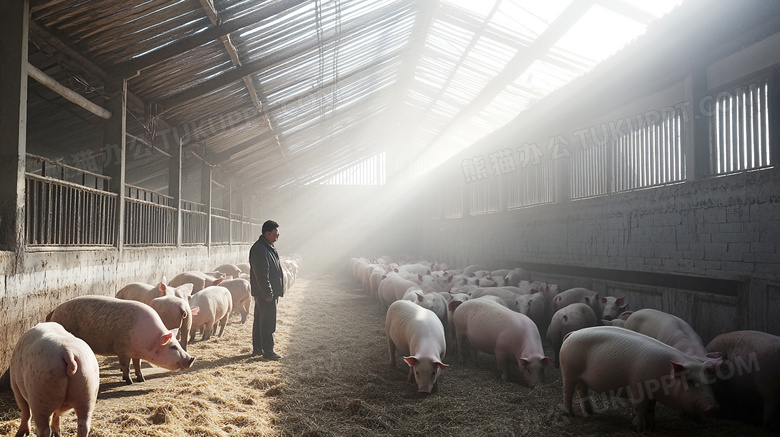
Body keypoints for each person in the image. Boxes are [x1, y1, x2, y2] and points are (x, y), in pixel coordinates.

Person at [249, 220, 284, 360]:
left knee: (260, 320)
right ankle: (268, 351)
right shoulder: (260, 249)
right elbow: (261, 274)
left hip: (265, 292)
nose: (278, 235)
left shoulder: (267, 247)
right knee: (267, 321)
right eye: (276, 233)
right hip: (265, 293)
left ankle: (258, 348)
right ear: (267, 233)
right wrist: (268, 292)